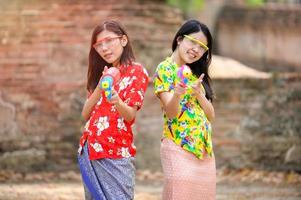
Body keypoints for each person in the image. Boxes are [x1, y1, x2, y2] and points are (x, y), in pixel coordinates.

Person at [78, 20, 149, 200]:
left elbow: (130, 115)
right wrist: (101, 86)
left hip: (116, 151)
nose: (104, 48)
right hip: (90, 149)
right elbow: (85, 114)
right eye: (99, 44)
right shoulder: (101, 73)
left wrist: (116, 100)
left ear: (123, 40)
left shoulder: (137, 71)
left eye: (109, 41)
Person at [153, 19, 216, 200]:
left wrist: (199, 95)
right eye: (193, 42)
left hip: (203, 149)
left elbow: (211, 116)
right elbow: (171, 113)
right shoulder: (165, 69)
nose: (197, 49)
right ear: (180, 39)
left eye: (203, 47)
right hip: (178, 145)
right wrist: (178, 93)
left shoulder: (196, 74)